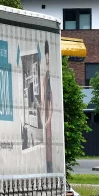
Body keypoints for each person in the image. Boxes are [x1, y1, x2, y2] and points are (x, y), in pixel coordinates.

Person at [42, 40, 54, 172]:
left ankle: (49, 167)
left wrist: (48, 119)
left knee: (49, 143)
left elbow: (51, 102)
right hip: (45, 117)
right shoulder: (45, 77)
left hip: (48, 119)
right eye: (46, 62)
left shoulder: (50, 78)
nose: (47, 64)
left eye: (49, 62)